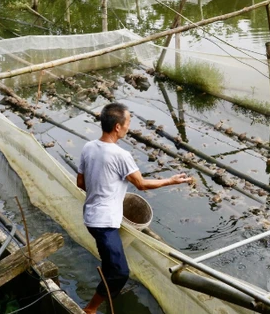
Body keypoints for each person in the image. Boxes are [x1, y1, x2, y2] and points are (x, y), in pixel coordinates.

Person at [77, 102, 192, 314]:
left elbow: (81, 183)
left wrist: (102, 190)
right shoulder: (121, 155)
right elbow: (141, 184)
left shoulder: (89, 147)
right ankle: (90, 310)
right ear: (117, 127)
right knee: (120, 273)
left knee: (112, 266)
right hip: (104, 223)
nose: (129, 127)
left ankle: (104, 286)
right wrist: (171, 181)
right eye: (128, 122)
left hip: (91, 216)